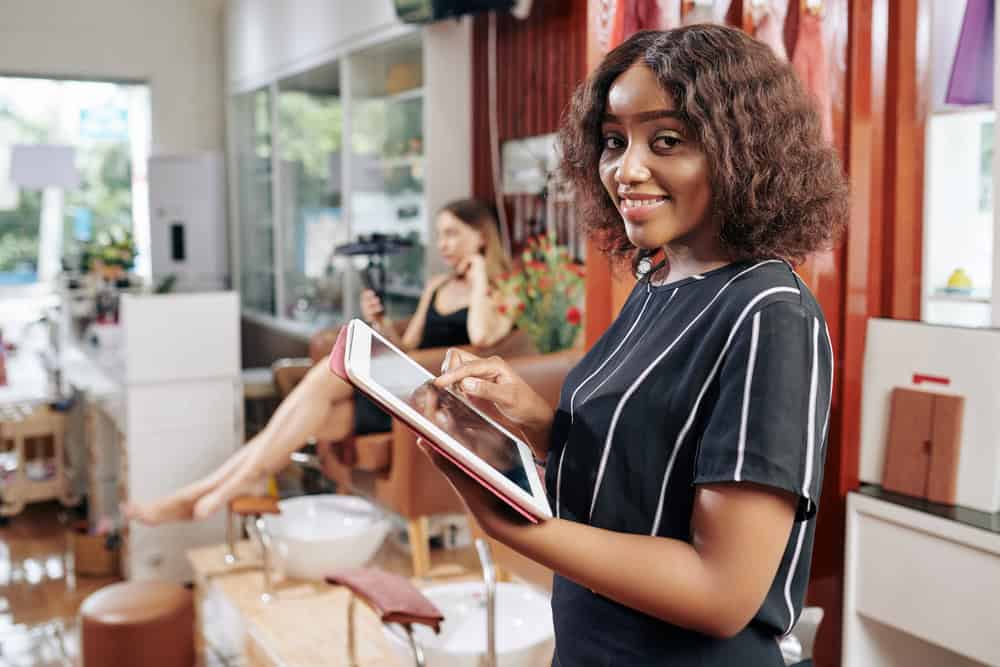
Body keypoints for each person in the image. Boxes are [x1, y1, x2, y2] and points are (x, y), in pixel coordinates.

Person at [423, 25, 848, 665]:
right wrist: (527, 426)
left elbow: (721, 590)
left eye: (667, 140)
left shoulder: (769, 313)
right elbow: (645, 474)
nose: (627, 168)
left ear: (744, 152)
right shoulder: (659, 280)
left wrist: (511, 522)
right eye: (615, 142)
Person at [125, 198, 514, 525]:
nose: (442, 243)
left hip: (433, 404)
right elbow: (408, 345)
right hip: (404, 389)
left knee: (323, 374)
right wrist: (379, 320)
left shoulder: (503, 289)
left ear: (481, 236)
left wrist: (480, 275)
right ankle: (218, 487)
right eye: (440, 233)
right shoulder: (438, 286)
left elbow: (481, 337)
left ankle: (219, 488)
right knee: (303, 421)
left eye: (452, 233)